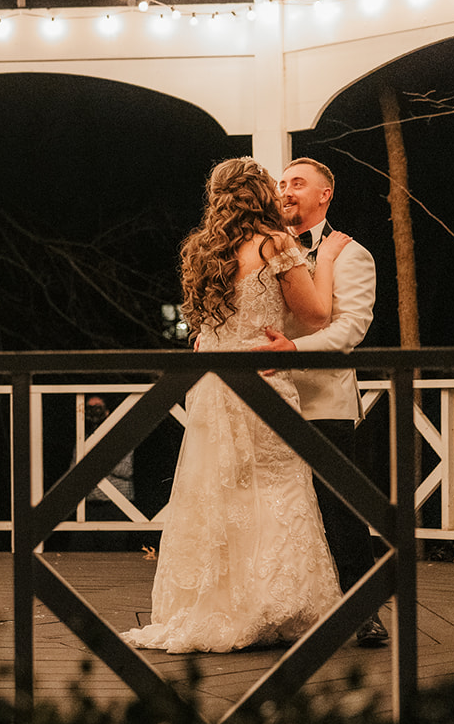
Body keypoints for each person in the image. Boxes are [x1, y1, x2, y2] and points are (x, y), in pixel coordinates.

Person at [123, 156, 345, 653]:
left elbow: (201, 329)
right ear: (262, 193)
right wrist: (324, 262)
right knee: (279, 490)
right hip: (263, 385)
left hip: (212, 391)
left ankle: (224, 603)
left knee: (218, 496)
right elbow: (314, 316)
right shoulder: (277, 244)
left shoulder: (203, 250)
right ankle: (273, 606)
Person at [260, 157, 389, 648]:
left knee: (339, 510)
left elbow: (349, 329)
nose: (286, 190)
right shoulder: (262, 249)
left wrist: (292, 349)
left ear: (324, 196)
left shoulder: (350, 254)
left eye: (298, 183)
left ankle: (363, 612)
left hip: (322, 401)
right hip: (266, 397)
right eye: (282, 184)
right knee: (273, 507)